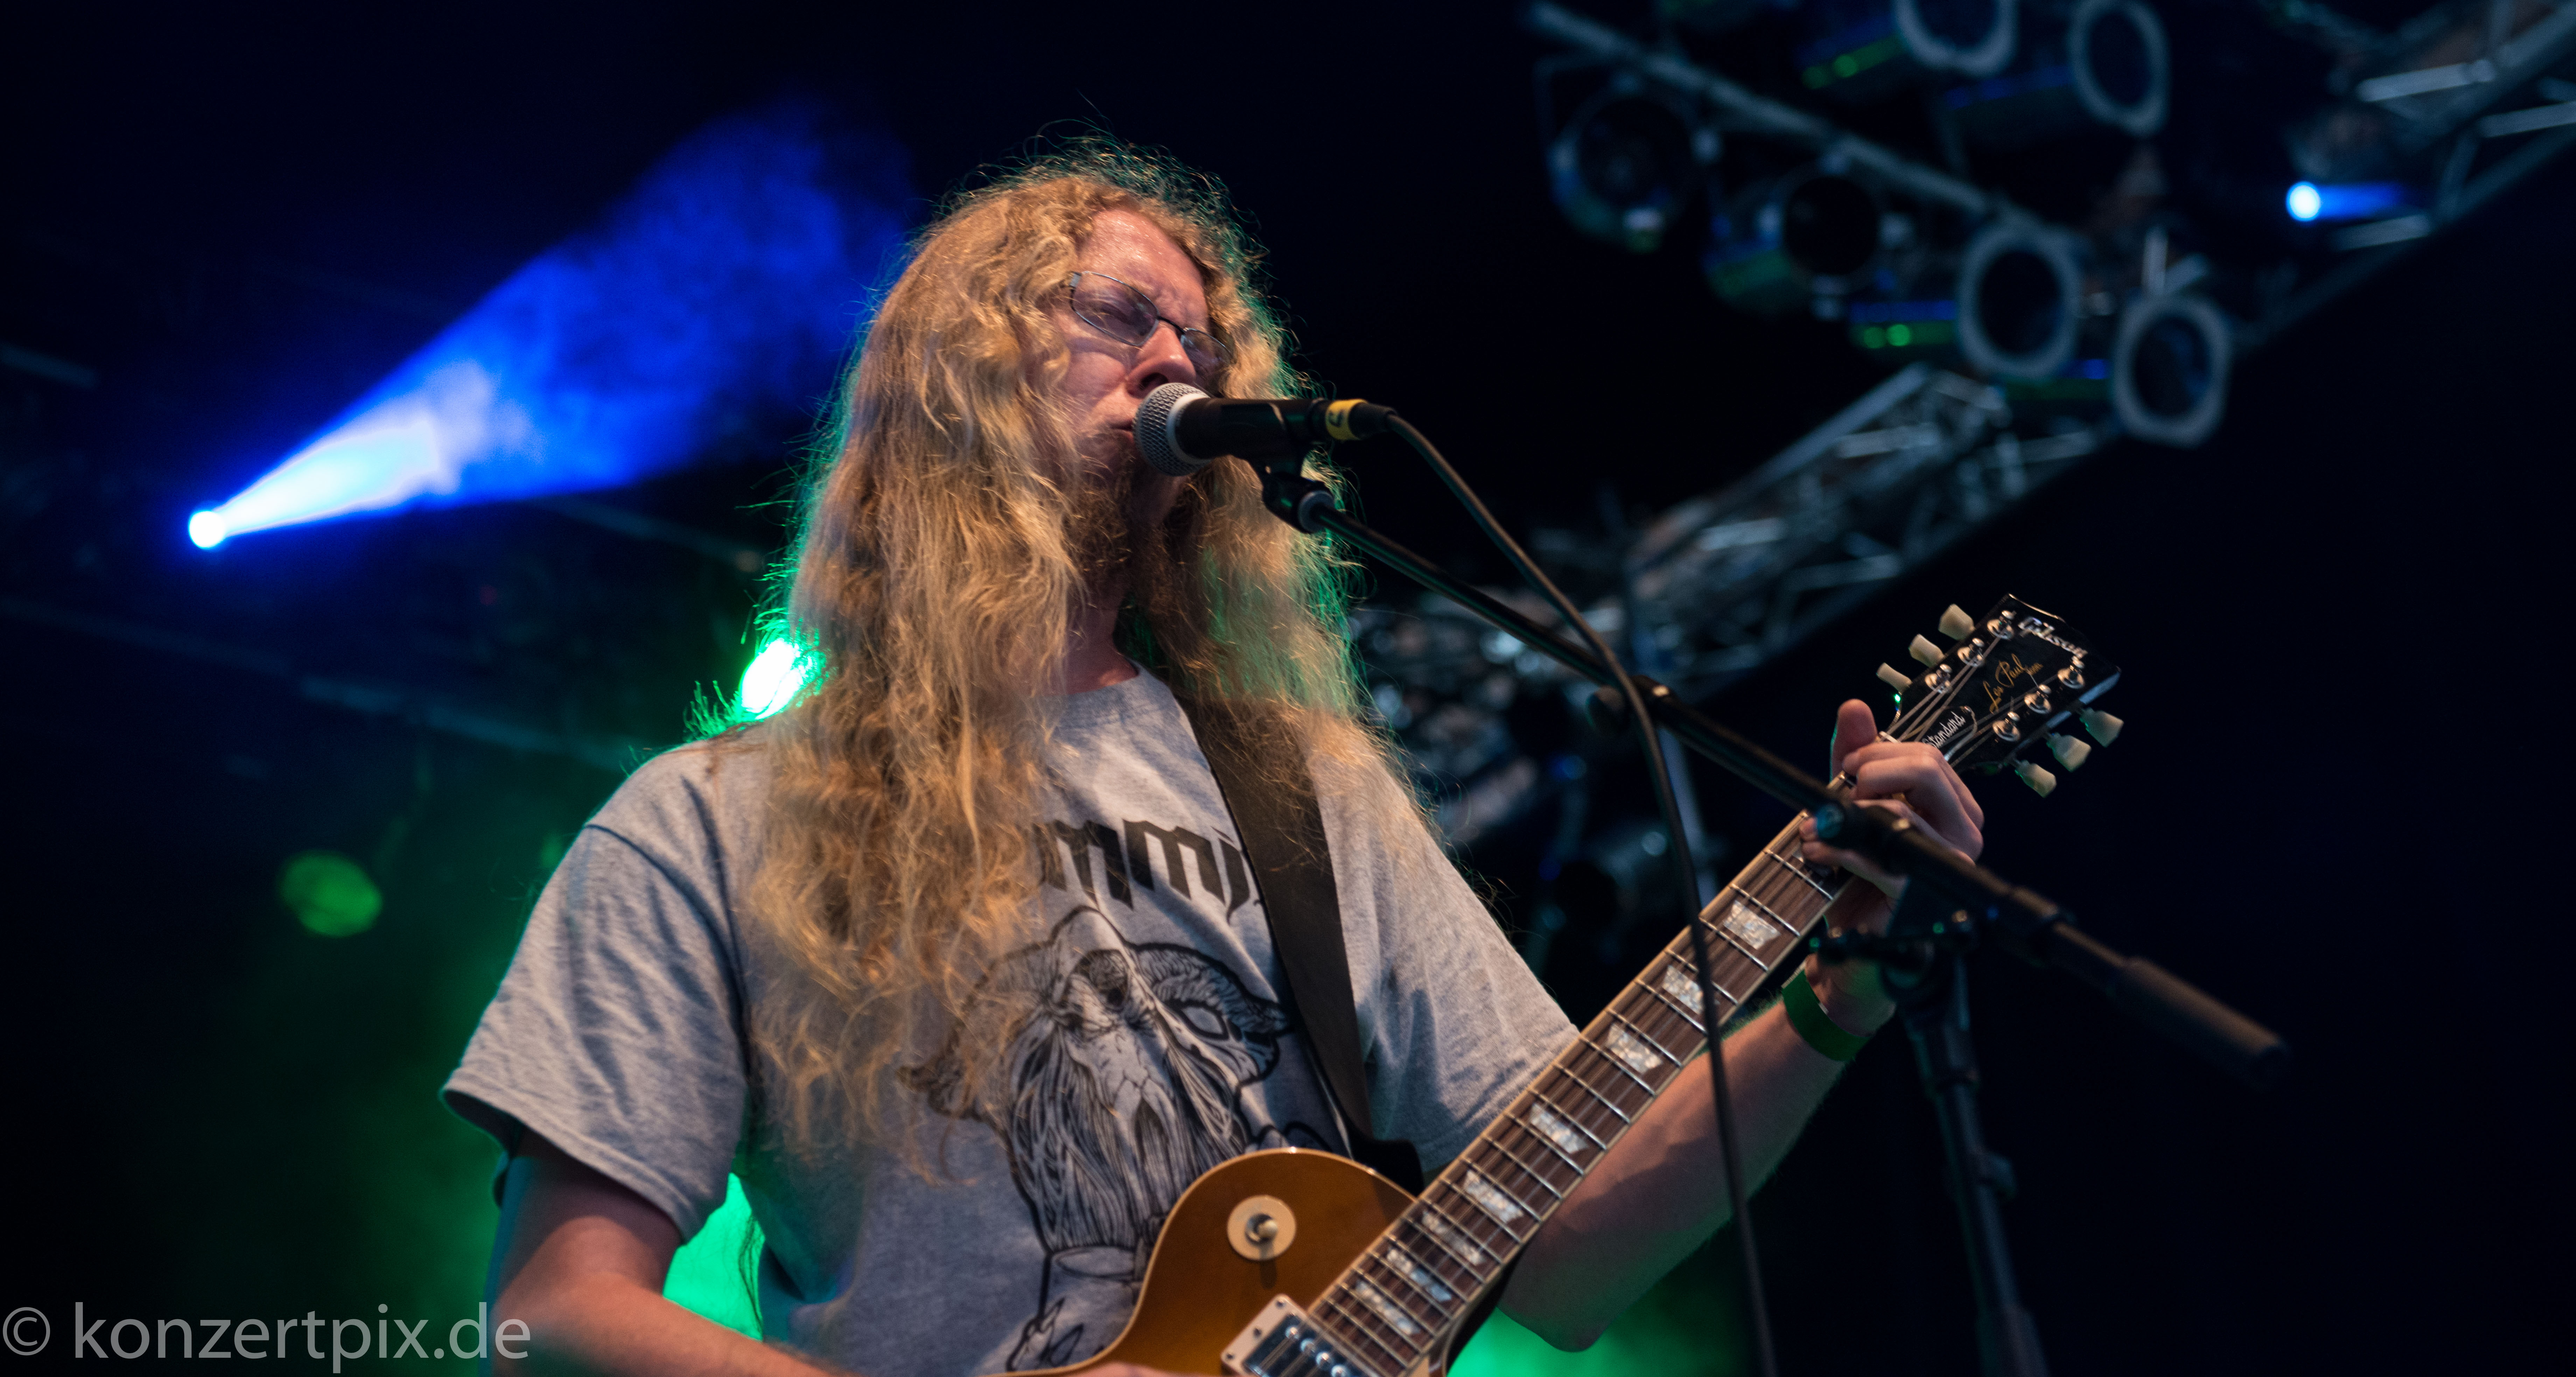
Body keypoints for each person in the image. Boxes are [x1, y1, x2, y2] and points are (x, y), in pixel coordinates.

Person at [443, 145, 1986, 1377]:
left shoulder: (1306, 788)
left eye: (1203, 333)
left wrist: (1836, 994)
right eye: (1122, 316)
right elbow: (555, 1312)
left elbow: (1567, 1253)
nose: (1180, 356)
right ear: (962, 371)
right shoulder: (710, 819)